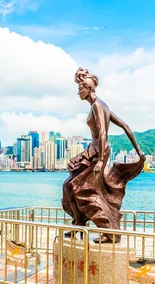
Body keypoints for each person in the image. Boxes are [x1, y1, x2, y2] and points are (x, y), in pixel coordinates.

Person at [62, 68, 146, 243]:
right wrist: (137, 150)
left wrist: (101, 160)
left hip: (99, 151)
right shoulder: (101, 105)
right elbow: (126, 126)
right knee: (69, 187)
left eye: (80, 89)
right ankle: (79, 223)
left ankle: (109, 232)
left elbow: (102, 133)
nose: (78, 92)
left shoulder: (98, 106)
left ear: (89, 88)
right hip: (93, 150)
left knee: (86, 189)